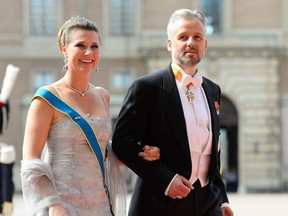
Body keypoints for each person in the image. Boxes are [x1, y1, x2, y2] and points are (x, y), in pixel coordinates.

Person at [21, 16, 159, 216]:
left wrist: (141, 151)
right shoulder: (46, 98)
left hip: (100, 205)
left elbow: (104, 151)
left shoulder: (103, 96)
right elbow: (31, 160)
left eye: (94, 46)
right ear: (64, 49)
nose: (89, 53)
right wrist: (53, 204)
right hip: (62, 207)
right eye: (80, 45)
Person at [112, 9, 234, 216]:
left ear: (205, 45)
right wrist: (166, 180)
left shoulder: (213, 90)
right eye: (183, 37)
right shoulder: (146, 87)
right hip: (160, 203)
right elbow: (122, 142)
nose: (190, 42)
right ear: (170, 44)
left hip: (208, 203)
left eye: (197, 37)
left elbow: (213, 151)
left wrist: (222, 199)